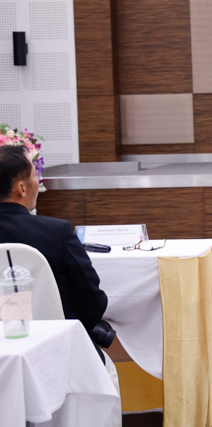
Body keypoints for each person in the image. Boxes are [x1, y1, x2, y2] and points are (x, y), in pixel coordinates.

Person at [0, 145, 120, 425]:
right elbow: (94, 303)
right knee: (106, 375)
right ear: (21, 188)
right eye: (34, 176)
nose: (37, 182)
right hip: (59, 355)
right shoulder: (57, 232)